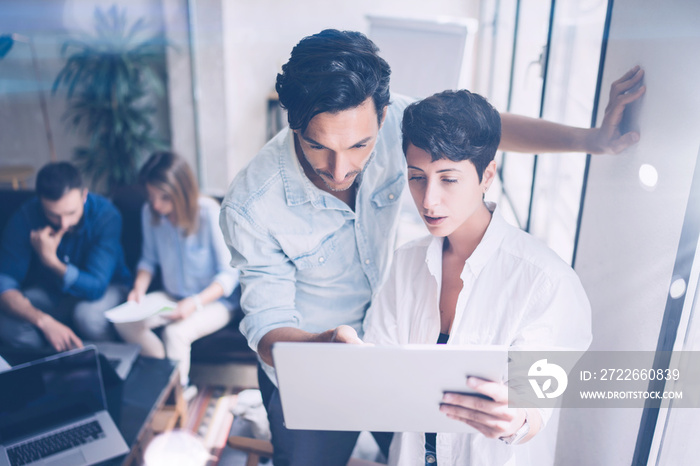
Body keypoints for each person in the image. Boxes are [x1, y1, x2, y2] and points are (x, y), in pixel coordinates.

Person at [219, 29, 642, 466]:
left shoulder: (539, 279)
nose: (341, 169)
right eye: (317, 146)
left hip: (390, 356)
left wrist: (591, 142)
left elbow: (477, 132)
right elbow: (266, 329)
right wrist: (323, 345)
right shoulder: (252, 206)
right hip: (310, 369)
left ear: (382, 118)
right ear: (293, 125)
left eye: (359, 146)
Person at [350, 89, 592, 465]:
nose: (428, 200)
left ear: (486, 176)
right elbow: (381, 367)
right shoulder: (407, 262)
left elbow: (534, 409)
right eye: (417, 177)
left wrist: (515, 419)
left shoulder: (545, 280)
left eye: (448, 179)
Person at [114, 152, 240, 390]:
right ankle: (167, 377)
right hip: (172, 296)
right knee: (124, 322)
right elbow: (148, 260)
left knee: (175, 334)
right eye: (151, 196)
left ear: (181, 192)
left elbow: (229, 274)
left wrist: (193, 303)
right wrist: (138, 288)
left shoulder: (208, 213)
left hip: (215, 301)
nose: (156, 205)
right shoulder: (149, 213)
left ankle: (178, 394)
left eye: (163, 197)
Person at [0, 161, 131, 352]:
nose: (63, 223)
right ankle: (46, 362)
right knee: (7, 319)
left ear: (84, 196)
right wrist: (44, 321)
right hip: (54, 293)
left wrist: (51, 262)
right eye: (53, 215)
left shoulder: (106, 216)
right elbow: (6, 283)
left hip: (107, 288)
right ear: (40, 201)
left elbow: (96, 286)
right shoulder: (26, 216)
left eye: (71, 213)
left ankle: (110, 362)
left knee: (86, 316)